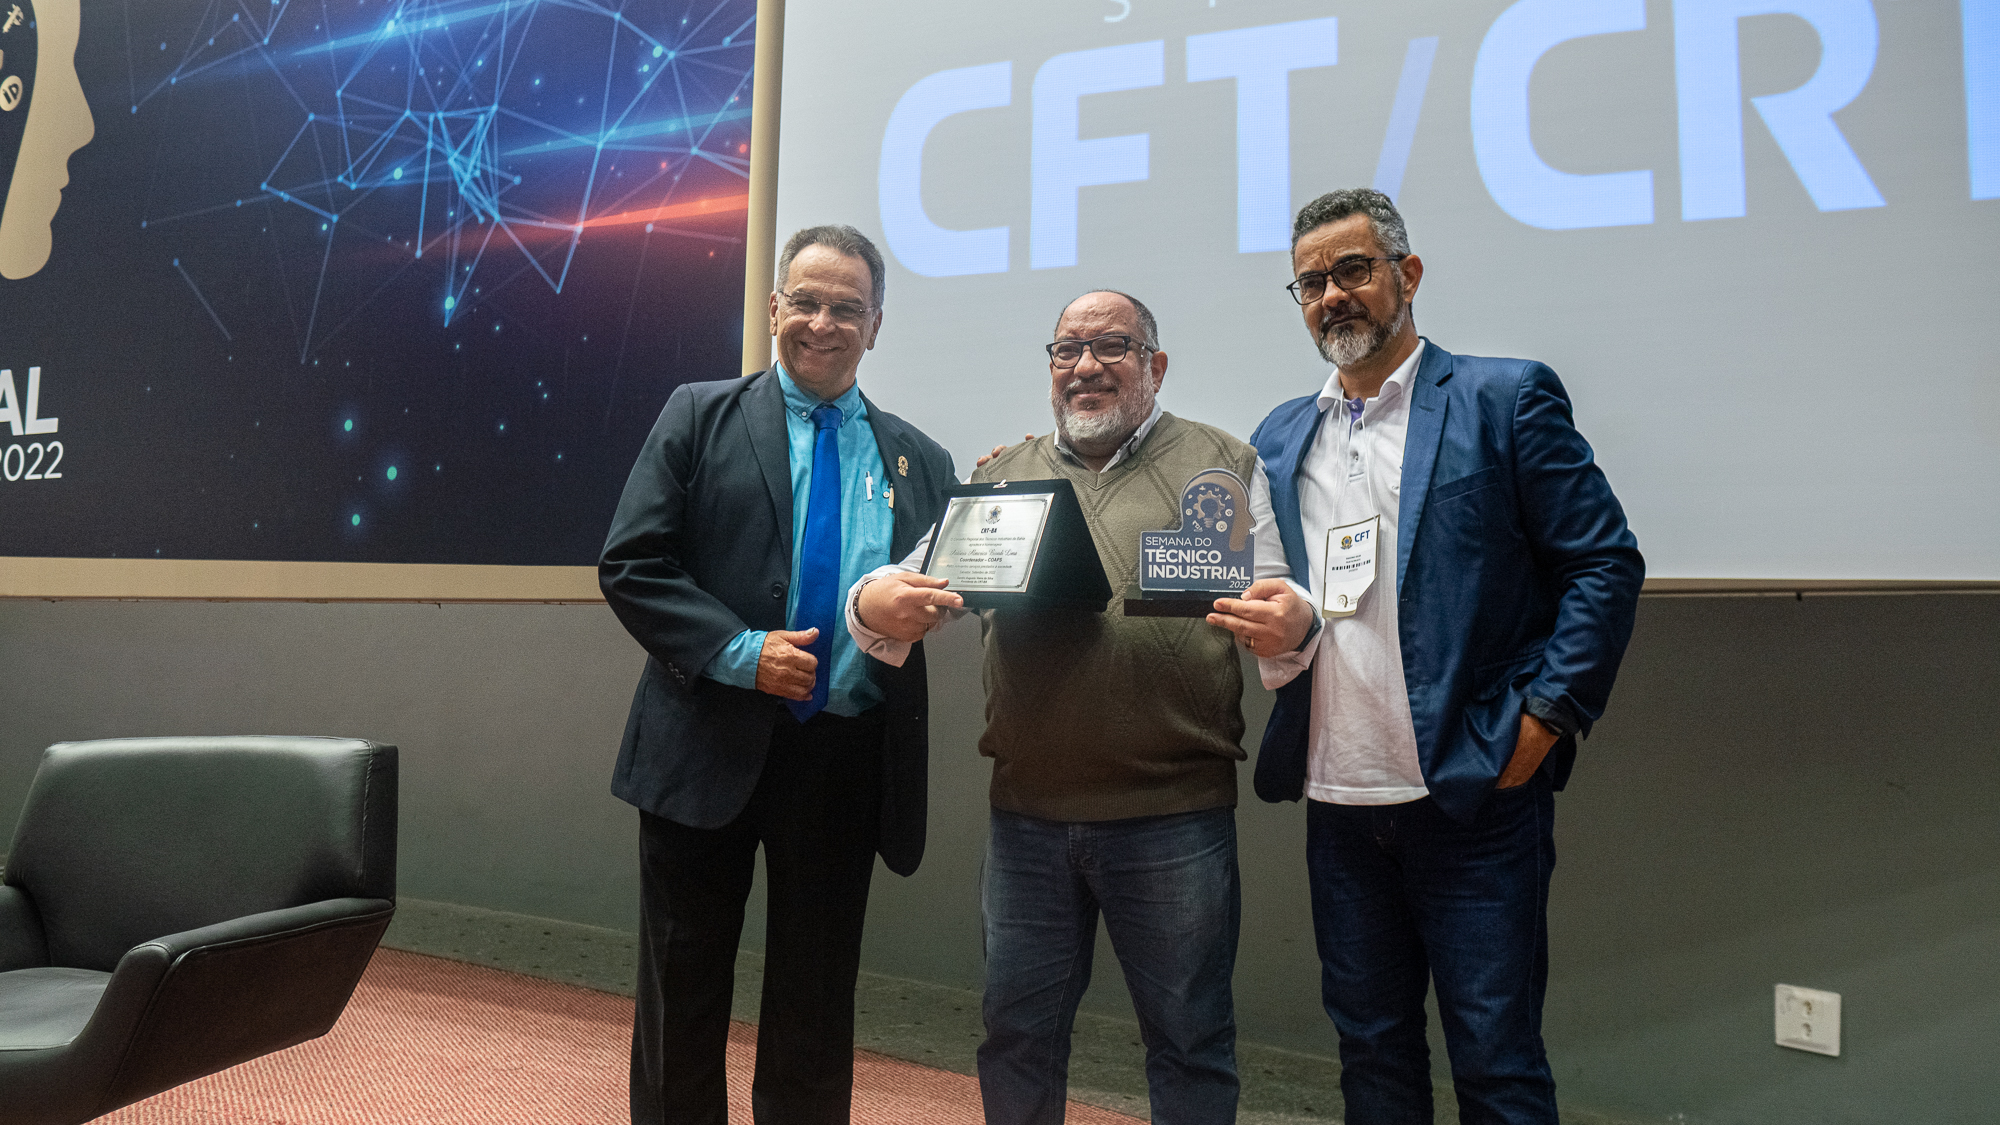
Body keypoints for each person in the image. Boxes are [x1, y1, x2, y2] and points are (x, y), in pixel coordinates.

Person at [850, 289, 1314, 1125]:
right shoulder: (1003, 475)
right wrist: (871, 601)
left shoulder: (1224, 462)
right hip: (1027, 819)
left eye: (1112, 347)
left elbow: (1281, 605)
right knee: (1017, 1039)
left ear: (1155, 365)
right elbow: (903, 580)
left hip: (1175, 819)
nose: (1086, 366)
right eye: (1067, 350)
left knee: (1191, 1043)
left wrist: (1294, 623)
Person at [1236, 188, 1645, 1125]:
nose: (1332, 296)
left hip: (1473, 795)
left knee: (1497, 1064)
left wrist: (1548, 715)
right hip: (1340, 804)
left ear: (1407, 274)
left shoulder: (1505, 398)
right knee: (1372, 1055)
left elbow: (1604, 563)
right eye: (1310, 283)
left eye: (1353, 269)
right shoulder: (1279, 436)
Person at [600, 224, 955, 1125]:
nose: (823, 323)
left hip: (844, 759)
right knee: (682, 991)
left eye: (847, 307)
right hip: (705, 743)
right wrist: (741, 653)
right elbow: (632, 564)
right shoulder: (698, 413)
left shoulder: (921, 459)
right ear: (772, 308)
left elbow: (937, 585)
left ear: (877, 325)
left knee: (816, 1003)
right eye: (806, 301)